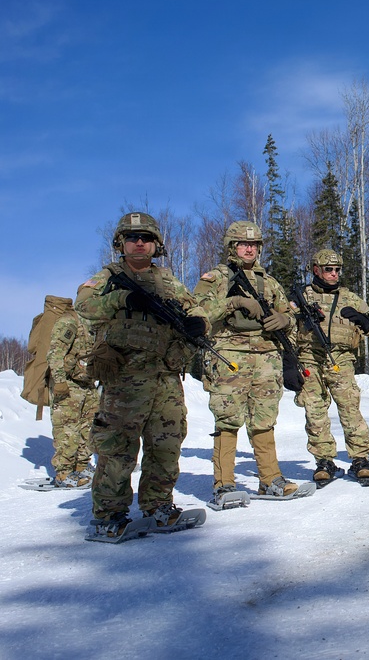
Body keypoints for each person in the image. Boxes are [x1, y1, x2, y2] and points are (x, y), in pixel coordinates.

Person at [76, 211, 210, 537]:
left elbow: (195, 308)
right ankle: (110, 514)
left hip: (165, 374)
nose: (139, 243)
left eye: (146, 238)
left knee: (166, 444)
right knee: (118, 448)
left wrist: (198, 322)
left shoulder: (167, 280)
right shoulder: (108, 276)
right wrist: (124, 297)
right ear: (120, 243)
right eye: (132, 238)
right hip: (124, 373)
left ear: (156, 245)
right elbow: (84, 305)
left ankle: (159, 505)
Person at [194, 220, 300, 504]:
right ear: (232, 247)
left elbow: (290, 317)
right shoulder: (215, 278)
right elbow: (196, 314)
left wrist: (285, 320)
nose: (249, 249)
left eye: (253, 245)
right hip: (230, 358)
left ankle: (270, 480)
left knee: (264, 420)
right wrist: (233, 303)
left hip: (267, 359)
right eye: (243, 244)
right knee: (228, 421)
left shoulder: (269, 281)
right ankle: (224, 484)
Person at [292, 249, 369, 483]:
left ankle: (360, 458)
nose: (333, 274)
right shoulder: (303, 297)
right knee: (315, 411)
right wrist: (289, 364)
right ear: (316, 270)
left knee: (350, 409)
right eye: (328, 269)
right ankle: (324, 460)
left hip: (342, 360)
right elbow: (287, 328)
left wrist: (362, 319)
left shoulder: (349, 297)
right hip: (310, 358)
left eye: (337, 270)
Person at [46, 300, 99, 487]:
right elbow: (54, 353)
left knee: (89, 426)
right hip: (68, 383)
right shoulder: (69, 321)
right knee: (68, 429)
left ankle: (81, 467)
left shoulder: (92, 324)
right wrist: (59, 381)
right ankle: (64, 473)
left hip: (86, 382)